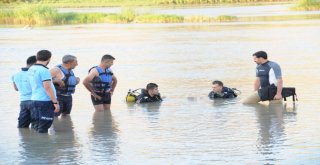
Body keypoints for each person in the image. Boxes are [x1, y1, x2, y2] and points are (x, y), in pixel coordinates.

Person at [28, 50, 60, 133]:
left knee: (35, 126)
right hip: (44, 101)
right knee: (44, 127)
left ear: (37, 57)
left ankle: (35, 144)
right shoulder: (44, 70)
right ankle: (43, 145)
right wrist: (55, 103)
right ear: (49, 59)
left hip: (34, 100)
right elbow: (47, 87)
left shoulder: (31, 68)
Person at [12, 55, 37, 128]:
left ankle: (22, 138)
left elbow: (16, 89)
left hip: (23, 101)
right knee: (35, 125)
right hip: (34, 100)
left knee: (22, 126)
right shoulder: (34, 73)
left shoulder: (15, 75)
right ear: (35, 63)